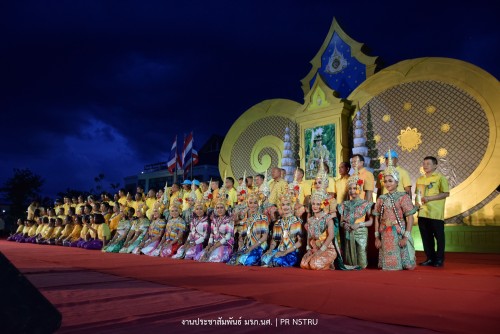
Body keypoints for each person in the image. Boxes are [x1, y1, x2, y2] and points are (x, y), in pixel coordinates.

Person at [373, 152, 417, 271]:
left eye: (390, 181)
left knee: (407, 265)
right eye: (386, 181)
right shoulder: (381, 198)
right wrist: (377, 237)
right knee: (384, 266)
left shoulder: (403, 197)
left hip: (399, 232)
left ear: (397, 182)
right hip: (384, 232)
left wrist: (405, 237)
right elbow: (377, 218)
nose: (387, 184)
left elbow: (410, 217)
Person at [416, 156, 450, 267]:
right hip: (422, 212)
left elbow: (446, 193)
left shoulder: (440, 178)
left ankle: (439, 259)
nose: (425, 166)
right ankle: (430, 258)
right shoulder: (420, 179)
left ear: (435, 165)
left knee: (439, 238)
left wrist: (429, 198)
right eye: (424, 163)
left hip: (436, 213)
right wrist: (416, 206)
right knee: (426, 238)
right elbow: (418, 196)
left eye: (428, 164)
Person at [338, 168, 373, 268]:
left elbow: (370, 221)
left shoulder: (366, 204)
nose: (352, 191)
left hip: (361, 231)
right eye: (350, 189)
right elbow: (341, 221)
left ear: (360, 189)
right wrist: (345, 225)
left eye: (354, 188)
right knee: (348, 262)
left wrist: (359, 225)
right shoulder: (344, 204)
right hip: (348, 231)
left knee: (362, 263)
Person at [227, 193, 269, 266]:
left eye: (255, 203)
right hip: (247, 246)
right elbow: (242, 236)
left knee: (248, 262)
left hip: (259, 247)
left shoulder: (263, 218)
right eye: (250, 203)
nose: (252, 205)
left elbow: (264, 237)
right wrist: (241, 247)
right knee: (234, 261)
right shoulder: (246, 220)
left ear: (258, 204)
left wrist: (252, 247)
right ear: (248, 204)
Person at [261, 193, 302, 267]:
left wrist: (285, 252)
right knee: (264, 259)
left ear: (291, 206)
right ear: (280, 207)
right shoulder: (278, 222)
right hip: (280, 250)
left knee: (277, 261)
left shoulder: (297, 221)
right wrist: (270, 250)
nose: (285, 207)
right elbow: (274, 240)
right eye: (283, 205)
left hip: (292, 252)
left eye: (288, 204)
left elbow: (300, 242)